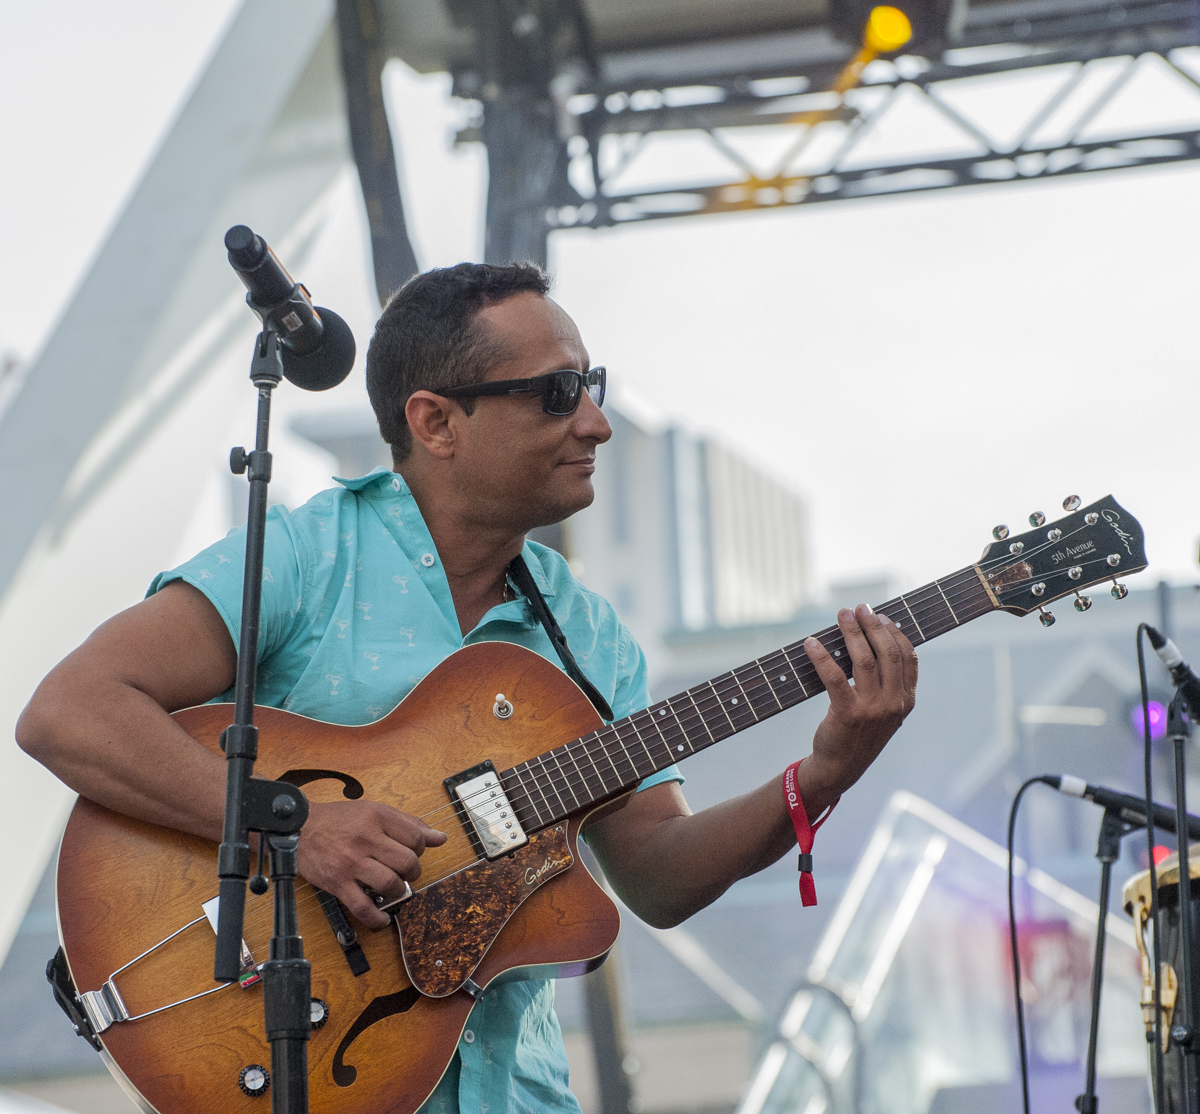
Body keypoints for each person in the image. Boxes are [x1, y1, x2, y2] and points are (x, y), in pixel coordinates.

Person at [16, 262, 918, 1113]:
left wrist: (824, 773)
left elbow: (656, 877)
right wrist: (291, 825)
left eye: (591, 384)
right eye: (558, 393)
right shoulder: (305, 557)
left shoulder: (589, 634)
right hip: (307, 1066)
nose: (596, 422)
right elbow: (70, 713)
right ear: (437, 423)